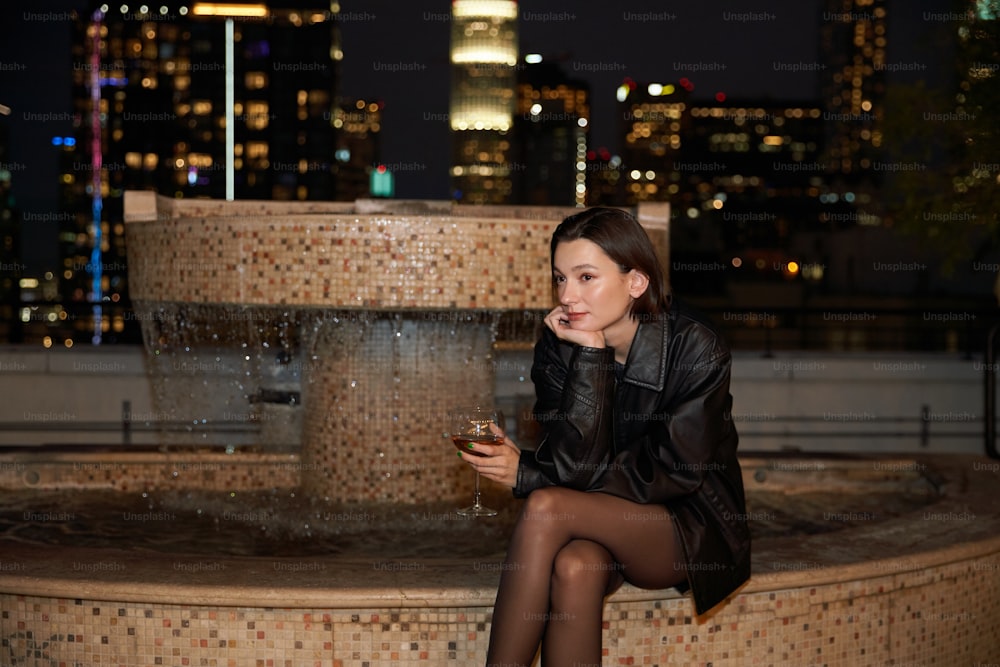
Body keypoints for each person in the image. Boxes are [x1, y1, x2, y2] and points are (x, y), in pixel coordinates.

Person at [458, 207, 752, 667]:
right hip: (595, 516)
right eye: (560, 278)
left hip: (683, 524)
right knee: (575, 566)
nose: (567, 295)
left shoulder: (695, 348)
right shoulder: (560, 343)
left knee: (544, 504)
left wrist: (533, 476)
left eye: (586, 277)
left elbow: (671, 473)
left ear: (635, 282)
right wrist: (590, 359)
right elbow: (571, 463)